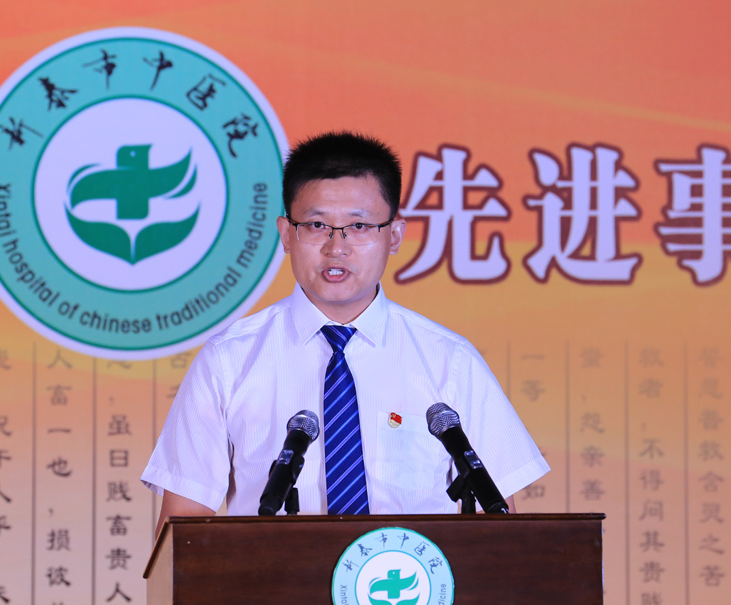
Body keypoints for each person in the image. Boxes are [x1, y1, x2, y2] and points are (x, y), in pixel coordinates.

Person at [141, 131, 548, 537]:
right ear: (286, 234)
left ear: (394, 235)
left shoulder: (450, 360)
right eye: (317, 225)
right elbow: (181, 533)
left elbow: (502, 529)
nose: (336, 247)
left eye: (359, 225)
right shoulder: (228, 360)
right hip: (274, 578)